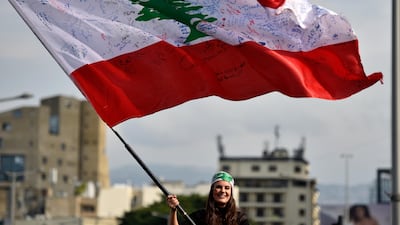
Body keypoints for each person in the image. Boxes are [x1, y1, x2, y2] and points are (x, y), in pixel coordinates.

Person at [166, 171, 249, 225]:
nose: (223, 191)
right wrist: (173, 210)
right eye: (218, 187)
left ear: (231, 192)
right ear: (212, 190)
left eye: (227, 188)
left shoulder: (240, 218)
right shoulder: (200, 216)